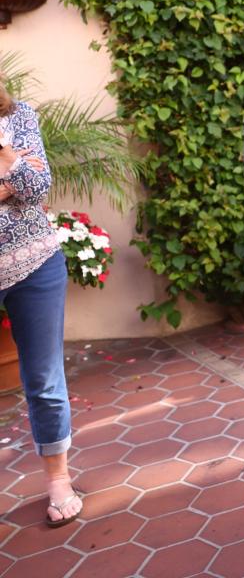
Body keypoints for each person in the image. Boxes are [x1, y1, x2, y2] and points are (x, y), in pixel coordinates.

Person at [0, 82, 82, 528]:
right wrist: (11, 180)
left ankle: (59, 480)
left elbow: (37, 187)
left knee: (45, 380)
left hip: (36, 266)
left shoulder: (20, 116)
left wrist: (6, 157)